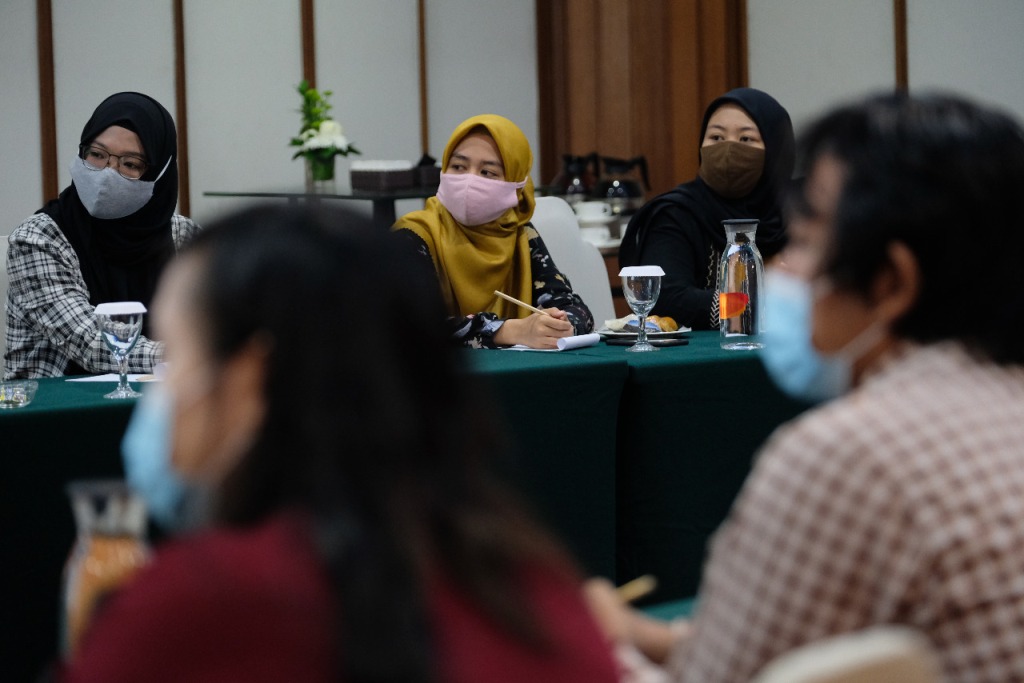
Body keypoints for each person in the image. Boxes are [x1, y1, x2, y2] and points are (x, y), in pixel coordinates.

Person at [61, 205, 619, 682]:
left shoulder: (195, 604)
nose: (163, 391)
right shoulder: (530, 582)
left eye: (177, 354)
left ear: (251, 380)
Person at [585, 93, 1024, 681]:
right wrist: (651, 638)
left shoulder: (847, 456)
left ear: (891, 282)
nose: (783, 270)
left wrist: (589, 645)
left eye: (808, 241)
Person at [4, 92, 199, 379]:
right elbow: (91, 343)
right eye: (97, 155)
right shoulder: (38, 239)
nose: (107, 173)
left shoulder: (183, 236)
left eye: (130, 164)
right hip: (52, 401)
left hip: (167, 396)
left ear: (159, 174)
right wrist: (195, 354)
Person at [393, 114, 593, 349]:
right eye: (458, 167)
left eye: (487, 172)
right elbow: (411, 326)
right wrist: (508, 331)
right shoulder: (413, 235)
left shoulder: (520, 234)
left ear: (517, 185)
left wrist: (562, 325)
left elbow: (574, 308)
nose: (469, 181)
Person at [619, 88, 794, 330]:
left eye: (746, 139)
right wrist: (753, 302)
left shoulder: (804, 212)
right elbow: (666, 298)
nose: (728, 149)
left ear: (777, 150)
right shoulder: (677, 212)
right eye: (716, 138)